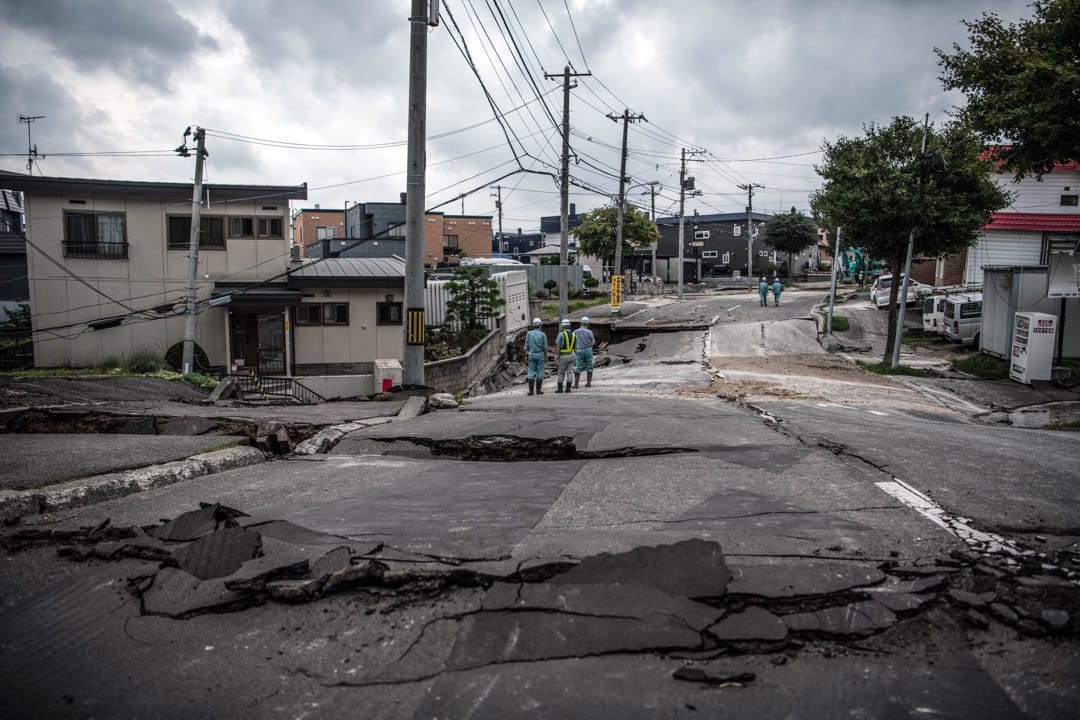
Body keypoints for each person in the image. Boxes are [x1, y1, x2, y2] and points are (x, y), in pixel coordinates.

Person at [524, 318, 548, 396]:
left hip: (531, 354)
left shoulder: (529, 334)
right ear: (540, 325)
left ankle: (531, 391)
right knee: (540, 372)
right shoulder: (543, 334)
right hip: (540, 354)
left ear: (533, 325)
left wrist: (526, 354)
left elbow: (526, 347)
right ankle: (538, 391)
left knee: (531, 372)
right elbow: (545, 347)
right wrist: (545, 356)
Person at [554, 318, 576, 393]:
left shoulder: (561, 334)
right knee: (570, 372)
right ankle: (568, 388)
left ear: (563, 326)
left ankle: (560, 389)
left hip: (563, 356)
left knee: (561, 372)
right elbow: (576, 347)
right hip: (572, 355)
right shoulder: (574, 334)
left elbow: (557, 345)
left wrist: (556, 355)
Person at [573, 316, 595, 388]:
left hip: (579, 350)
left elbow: (573, 342)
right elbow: (593, 342)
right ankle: (589, 383)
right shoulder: (589, 332)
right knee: (589, 366)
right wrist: (589, 347)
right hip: (588, 350)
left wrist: (575, 349)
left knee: (578, 366)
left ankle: (576, 384)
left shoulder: (575, 331)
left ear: (580, 323)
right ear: (587, 324)